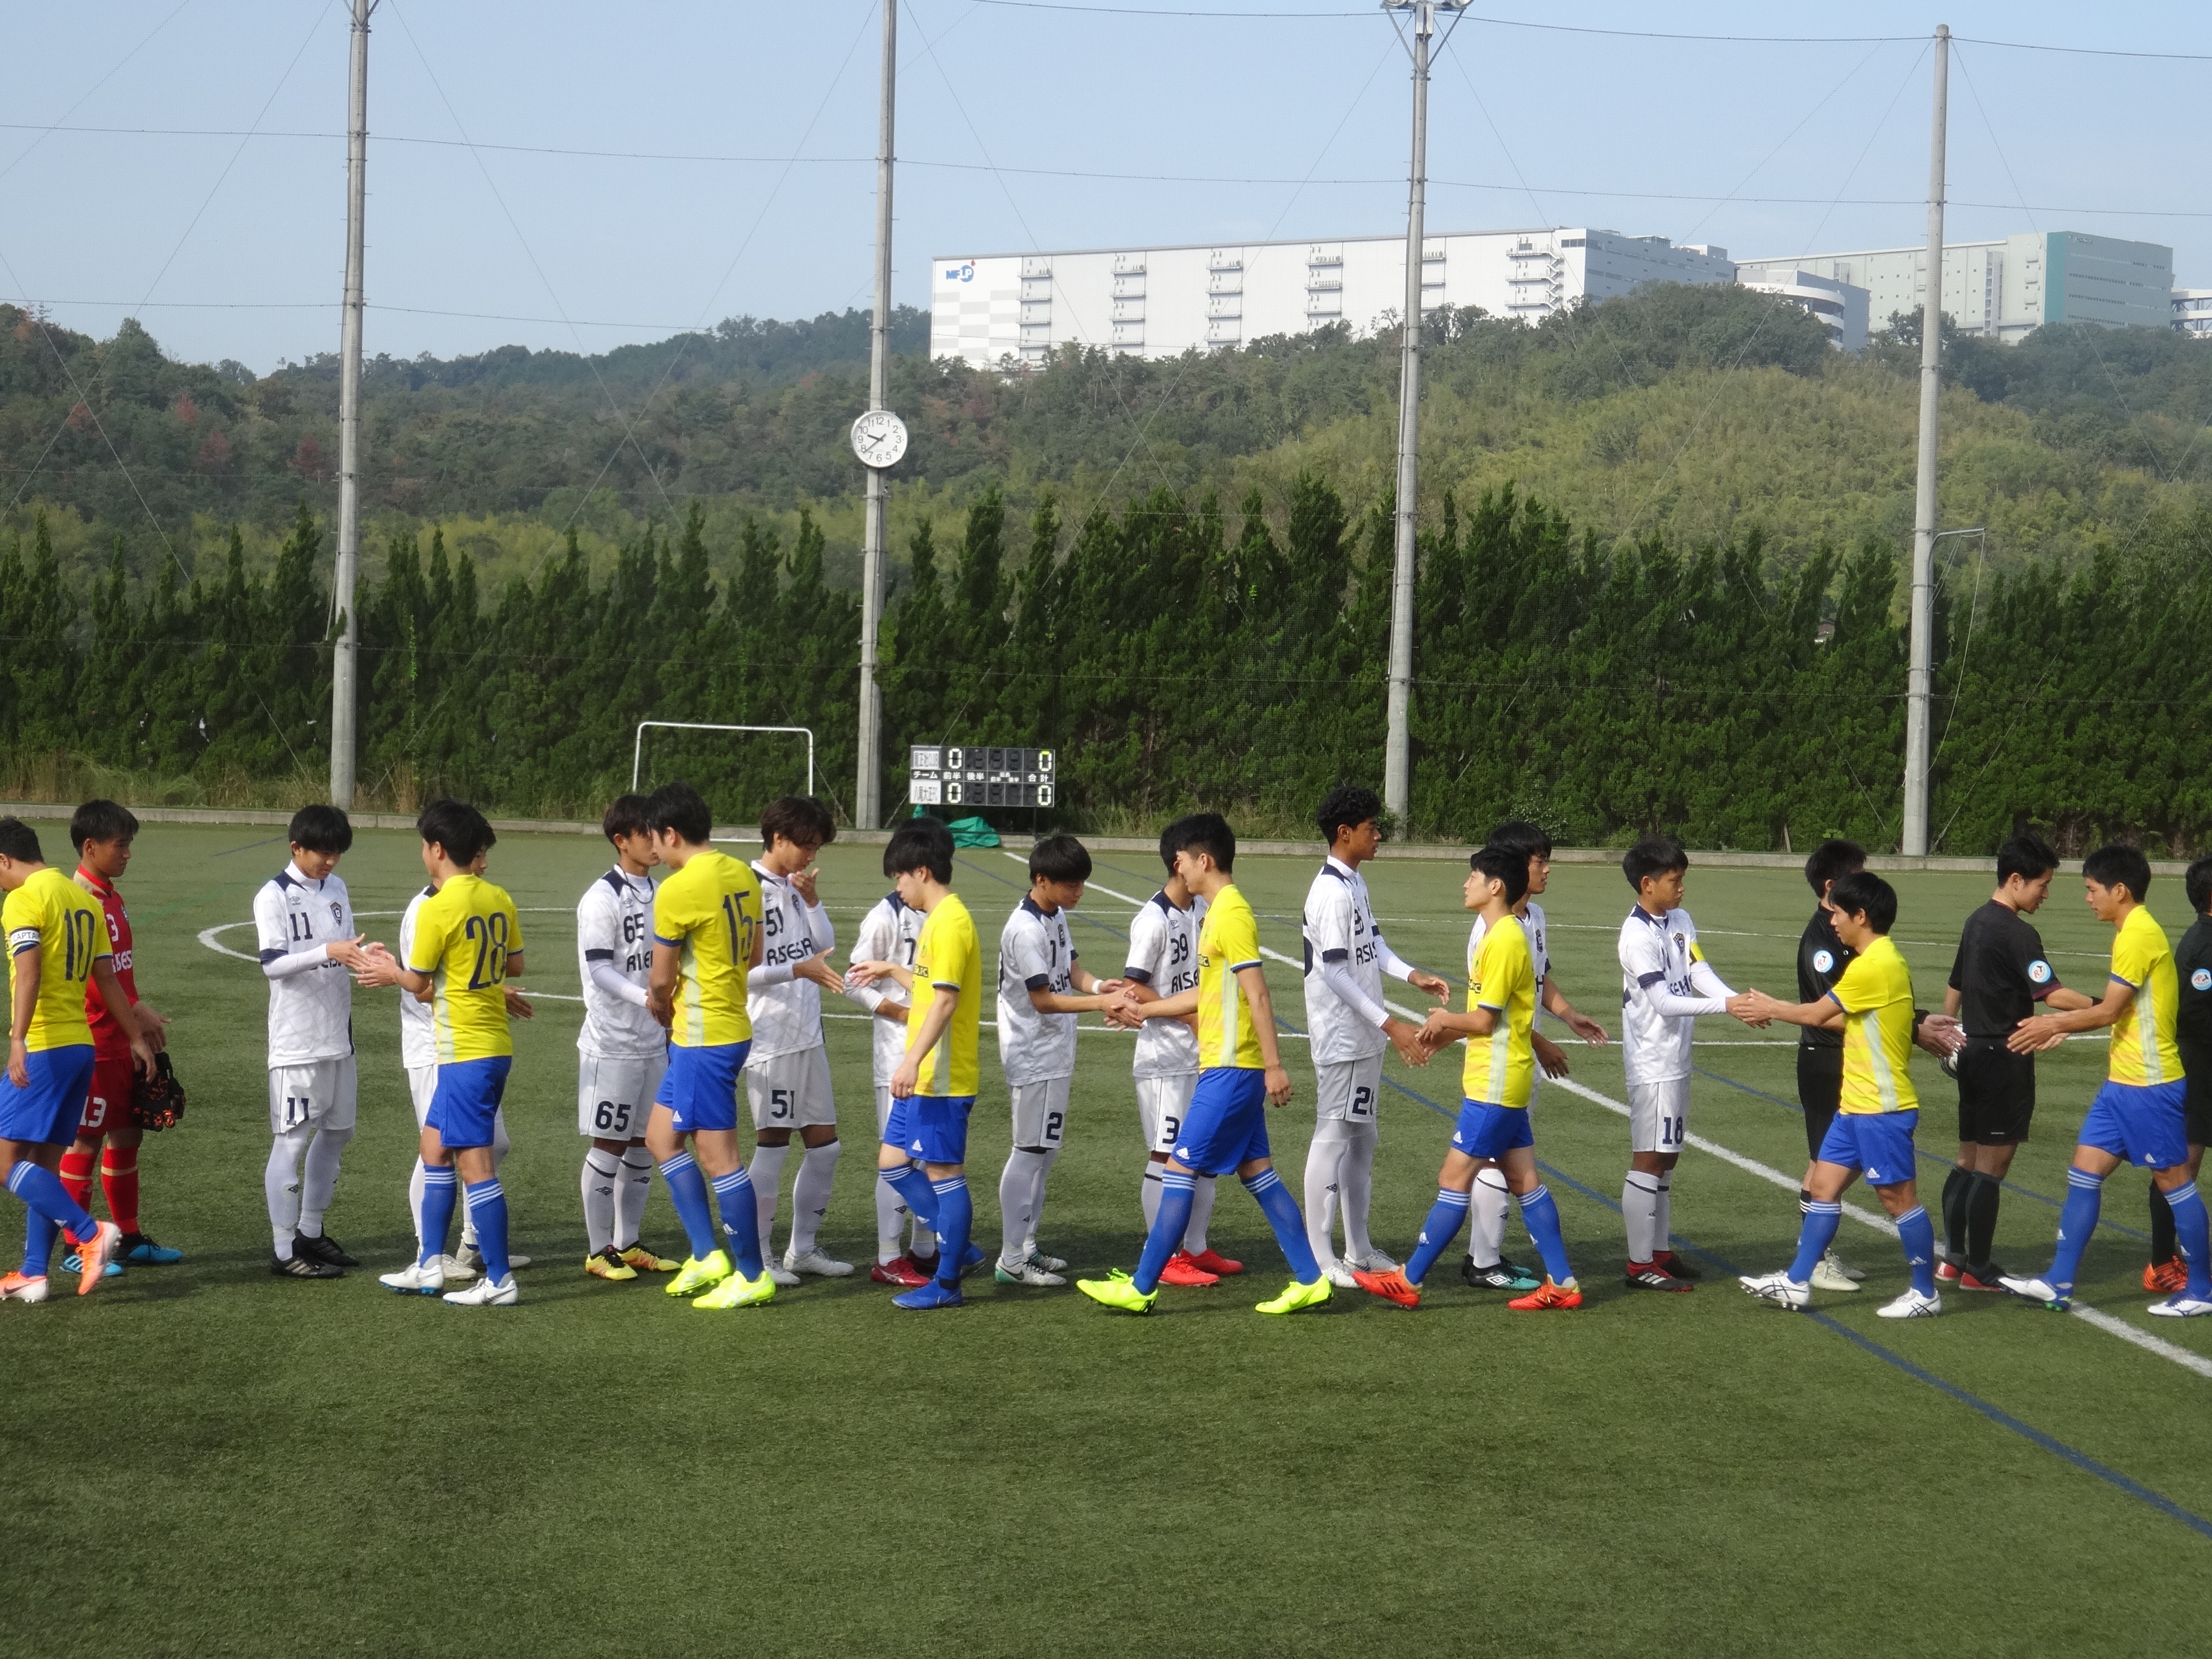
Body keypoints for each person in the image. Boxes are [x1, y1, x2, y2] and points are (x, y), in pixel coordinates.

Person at [1080, 814, 1332, 1317]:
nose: (1179, 870)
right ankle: (1310, 1280)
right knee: (1258, 1173)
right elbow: (1207, 993)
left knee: (1179, 1168)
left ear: (1204, 860)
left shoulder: (1231, 914)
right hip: (1231, 1066)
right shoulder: (1217, 914)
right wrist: (1143, 1010)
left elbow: (1259, 993)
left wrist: (1274, 1065)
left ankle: (1142, 1286)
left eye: (1182, 862)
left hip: (1232, 1069)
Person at [1350, 847, 1583, 1313]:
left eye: (1473, 876)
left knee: (1454, 1177)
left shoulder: (1504, 940)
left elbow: (1484, 1020)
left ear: (1495, 886)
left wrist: (1443, 1021)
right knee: (1524, 1179)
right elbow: (1496, 1017)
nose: (1465, 883)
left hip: (1495, 1083)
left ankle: (1409, 1280)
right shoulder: (1504, 934)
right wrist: (1443, 1033)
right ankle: (1563, 1282)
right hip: (1506, 1077)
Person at [2000, 845, 2210, 1317]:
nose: (2088, 898)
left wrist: (2053, 1024)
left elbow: (2110, 1011)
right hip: (2122, 1084)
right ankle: (2058, 1282)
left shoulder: (2139, 934)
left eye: (2092, 889)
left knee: (2175, 1183)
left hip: (2150, 1086)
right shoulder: (2129, 932)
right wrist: (2063, 1024)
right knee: (2084, 1172)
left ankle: (2201, 1289)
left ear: (2120, 890)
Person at [1736, 871, 1944, 1318]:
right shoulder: (1877, 960)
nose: (1832, 921)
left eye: (1839, 914)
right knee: (1824, 1188)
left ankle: (1925, 1292)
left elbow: (1816, 1014)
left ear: (1861, 916)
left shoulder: (1873, 965)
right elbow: (1838, 1018)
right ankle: (1797, 1281)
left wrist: (1770, 1007)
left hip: (1882, 1108)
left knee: (1898, 1200)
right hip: (1855, 1106)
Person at [368, 801, 529, 1306]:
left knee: (475, 1166)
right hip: (491, 1045)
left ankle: (499, 1280)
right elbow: (516, 965)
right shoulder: (498, 897)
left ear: (437, 849)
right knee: (434, 1150)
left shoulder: (436, 909)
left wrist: (389, 970)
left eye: (424, 844)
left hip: (464, 1052)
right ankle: (429, 1265)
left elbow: (417, 983)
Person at [1298, 785, 1449, 1289]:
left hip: (1364, 1036)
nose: (1379, 835)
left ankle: (1359, 1250)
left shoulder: (1355, 883)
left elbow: (1373, 945)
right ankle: (1322, 1259)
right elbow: (1335, 973)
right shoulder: (1330, 893)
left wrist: (1412, 976)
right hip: (1342, 1036)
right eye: (1371, 828)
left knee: (1363, 1137)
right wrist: (1391, 1024)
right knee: (1332, 1135)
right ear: (1345, 833)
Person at [637, 780, 775, 1311]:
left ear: (671, 833)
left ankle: (752, 1273)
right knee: (660, 1138)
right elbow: (755, 954)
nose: (654, 848)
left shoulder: (677, 889)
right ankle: (706, 1254)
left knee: (721, 1160)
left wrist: (660, 1003)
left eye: (655, 837)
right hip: (726, 1027)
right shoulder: (741, 873)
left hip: (703, 1038)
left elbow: (660, 978)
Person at [1937, 834, 2093, 1291]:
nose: (2046, 894)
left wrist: (1950, 1034)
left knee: (1967, 1158)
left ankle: (1953, 1260)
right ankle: (1979, 1270)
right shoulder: (2018, 933)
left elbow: (1955, 983)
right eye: (2043, 885)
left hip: (1972, 1051)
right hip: (2005, 1056)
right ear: (2017, 880)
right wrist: (2107, 1006)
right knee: (1992, 1166)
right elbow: (2053, 995)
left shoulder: (1976, 920)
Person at [0, 816, 144, 1301]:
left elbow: (29, 970)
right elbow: (107, 980)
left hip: (45, 1045)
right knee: (43, 1163)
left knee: (5, 1164)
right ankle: (33, 1273)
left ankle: (89, 1232)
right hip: (82, 1049)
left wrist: (17, 1039)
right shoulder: (83, 900)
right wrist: (135, 1037)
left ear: (4, 860)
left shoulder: (23, 899)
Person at [1461, 822, 1608, 1292]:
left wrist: (1569, 1016)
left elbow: (1540, 979)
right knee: (1491, 1160)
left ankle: (1484, 1256)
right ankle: (1482, 1262)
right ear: (1514, 866)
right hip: (1502, 1061)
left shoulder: (1534, 917)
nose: (1547, 870)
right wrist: (1539, 1043)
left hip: (1521, 1061)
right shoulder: (1490, 930)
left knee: (1504, 1160)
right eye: (1540, 861)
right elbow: (1493, 1009)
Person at [850, 816, 988, 1311]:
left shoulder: (949, 923)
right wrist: (891, 968)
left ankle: (948, 1283)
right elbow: (930, 987)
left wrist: (910, 1061)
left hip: (941, 1076)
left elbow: (945, 1002)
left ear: (922, 872)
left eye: (900, 877)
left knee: (945, 1173)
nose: (898, 887)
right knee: (892, 1164)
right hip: (929, 1074)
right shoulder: (938, 920)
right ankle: (960, 1245)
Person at [1614, 835, 1746, 1292]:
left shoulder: (1680, 920)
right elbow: (1664, 1003)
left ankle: (1659, 1251)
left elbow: (1697, 971)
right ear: (1647, 884)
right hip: (1653, 1062)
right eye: (1674, 880)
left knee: (1667, 1157)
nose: (1682, 888)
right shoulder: (1635, 937)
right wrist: (1728, 1008)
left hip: (1676, 1058)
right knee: (1649, 1158)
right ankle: (1639, 1265)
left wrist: (1738, 1001)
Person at [994, 833, 1122, 1287]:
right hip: (1033, 1054)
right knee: (1029, 1152)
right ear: (1041, 879)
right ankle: (1011, 1259)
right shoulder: (1025, 929)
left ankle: (1026, 1246)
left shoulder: (1055, 915)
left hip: (1054, 1053)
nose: (1078, 891)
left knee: (1043, 1154)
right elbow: (1043, 1000)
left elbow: (1070, 971)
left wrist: (1099, 987)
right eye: (1070, 883)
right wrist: (1100, 1005)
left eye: (1082, 882)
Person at [1121, 815, 1239, 1285]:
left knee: (1200, 1155)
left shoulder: (1201, 910)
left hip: (1200, 1057)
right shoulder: (1152, 920)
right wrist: (1190, 1019)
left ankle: (1195, 1247)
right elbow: (1133, 986)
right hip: (1164, 1059)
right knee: (1165, 1154)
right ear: (1180, 863)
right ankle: (1165, 1257)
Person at [252, 804, 370, 1280]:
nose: (330, 861)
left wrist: (364, 956)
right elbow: (272, 964)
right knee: (293, 1140)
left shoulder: (336, 888)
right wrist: (327, 951)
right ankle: (284, 1251)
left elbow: (344, 948)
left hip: (338, 1036)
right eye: (322, 852)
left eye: (337, 852)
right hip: (296, 1042)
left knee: (339, 1132)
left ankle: (311, 1231)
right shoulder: (273, 896)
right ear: (296, 847)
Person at [60, 800, 177, 1270]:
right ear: (90, 847)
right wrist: (135, 1022)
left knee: (127, 1136)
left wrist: (137, 1013)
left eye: (129, 844)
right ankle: (75, 1246)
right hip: (94, 1043)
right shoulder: (79, 900)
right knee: (84, 1143)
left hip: (121, 1038)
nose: (128, 853)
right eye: (120, 845)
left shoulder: (110, 896)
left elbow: (119, 973)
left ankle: (128, 1236)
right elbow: (93, 979)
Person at [744, 796, 851, 1284]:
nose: (811, 855)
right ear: (778, 838)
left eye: (816, 848)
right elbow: (738, 973)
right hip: (770, 1038)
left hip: (808, 1035)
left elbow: (824, 947)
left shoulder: (795, 886)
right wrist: (796, 970)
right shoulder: (747, 890)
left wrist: (812, 901)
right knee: (773, 1147)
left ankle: (802, 1250)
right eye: (805, 845)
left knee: (825, 1149)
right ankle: (759, 1256)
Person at [575, 794, 678, 1281]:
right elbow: (600, 970)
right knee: (609, 1145)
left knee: (643, 1145)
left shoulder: (663, 893)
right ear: (621, 840)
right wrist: (646, 999)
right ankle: (598, 1251)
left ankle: (628, 1242)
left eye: (658, 833)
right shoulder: (601, 898)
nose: (655, 842)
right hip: (612, 1043)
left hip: (652, 1041)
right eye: (644, 834)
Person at [846, 855, 936, 1285]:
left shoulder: (939, 913)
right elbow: (853, 980)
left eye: (902, 874)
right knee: (897, 1157)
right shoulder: (884, 917)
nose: (898, 884)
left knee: (928, 1155)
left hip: (934, 1056)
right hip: (896, 1059)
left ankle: (924, 1251)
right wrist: (899, 1013)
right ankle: (887, 1257)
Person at [2146, 855, 2212, 1291]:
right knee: (2180, 1164)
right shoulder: (2204, 943)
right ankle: (2161, 1261)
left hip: (2201, 1062)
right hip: (2196, 1064)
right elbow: (2193, 1011)